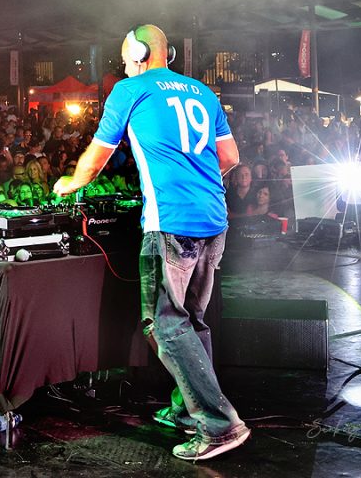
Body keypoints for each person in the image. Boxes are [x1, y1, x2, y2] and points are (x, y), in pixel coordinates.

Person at [52, 25, 249, 462]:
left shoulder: (129, 90)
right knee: (192, 321)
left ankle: (220, 425)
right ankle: (186, 410)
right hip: (214, 220)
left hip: (171, 223)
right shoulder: (203, 92)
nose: (124, 65)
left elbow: (96, 159)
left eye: (126, 56)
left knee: (165, 323)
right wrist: (196, 183)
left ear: (141, 53)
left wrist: (70, 182)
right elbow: (231, 158)